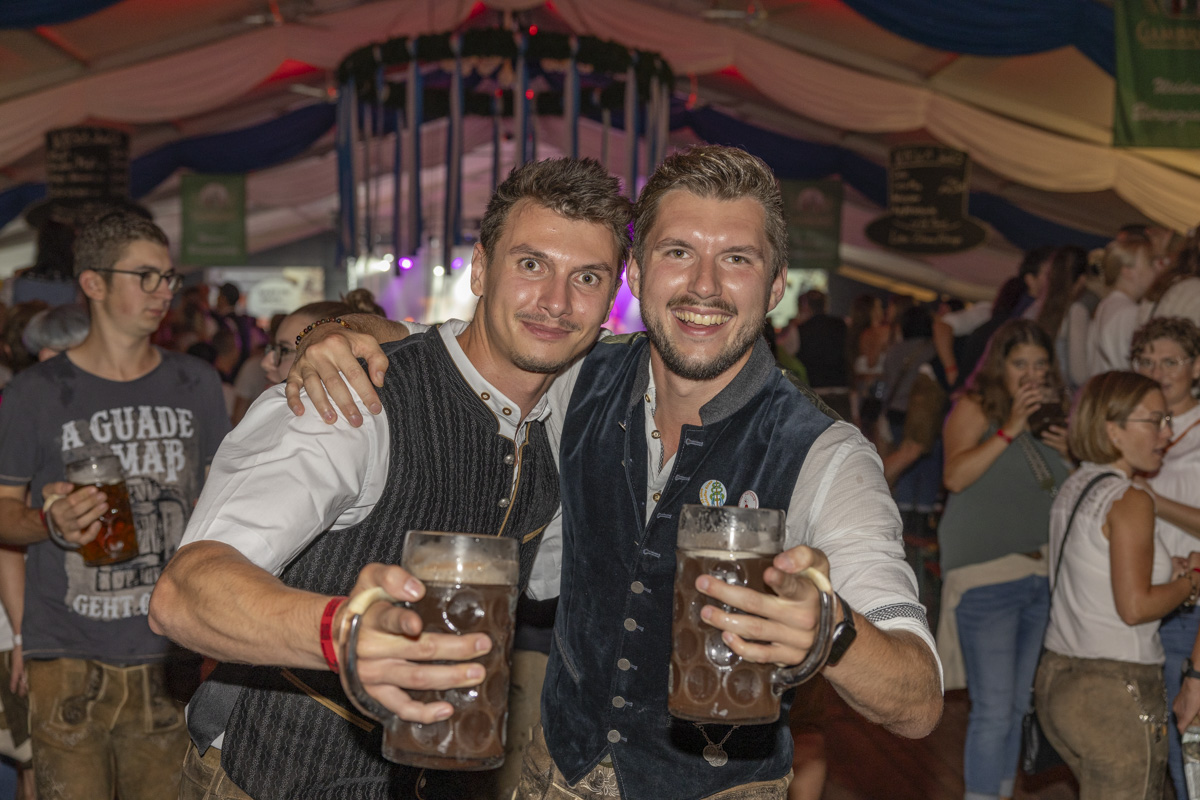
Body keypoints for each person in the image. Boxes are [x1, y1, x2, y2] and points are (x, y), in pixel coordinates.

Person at [288, 145, 944, 800]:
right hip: (555, 771)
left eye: (737, 259)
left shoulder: (826, 455)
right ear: (635, 272)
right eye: (678, 252)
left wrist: (830, 631)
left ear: (775, 287)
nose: (705, 286)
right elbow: (458, 343)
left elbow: (919, 702)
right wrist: (338, 333)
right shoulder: (577, 373)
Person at [147, 157, 631, 800]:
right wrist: (341, 633)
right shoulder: (352, 395)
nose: (556, 301)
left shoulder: (564, 413)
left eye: (587, 277)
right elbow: (185, 591)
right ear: (480, 269)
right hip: (271, 776)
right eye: (531, 264)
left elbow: (553, 576)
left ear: (612, 294)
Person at [0, 210, 230, 800]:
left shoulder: (197, 384)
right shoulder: (34, 393)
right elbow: (3, 513)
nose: (163, 292)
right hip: (66, 654)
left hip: (168, 650)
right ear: (94, 283)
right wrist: (48, 521)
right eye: (145, 276)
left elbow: (221, 508)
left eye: (168, 277)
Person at [1035, 371, 1198, 799]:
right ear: (1113, 430)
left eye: (1167, 420)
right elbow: (1134, 608)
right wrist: (1192, 582)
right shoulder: (1131, 499)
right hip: (1115, 690)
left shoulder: (1078, 484)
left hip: (1059, 678)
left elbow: (1097, 569)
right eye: (1155, 421)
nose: (1167, 433)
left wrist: (1170, 570)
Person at [935, 319, 1071, 800]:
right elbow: (954, 476)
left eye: (1040, 364)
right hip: (988, 575)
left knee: (1017, 706)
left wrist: (1072, 453)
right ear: (1000, 366)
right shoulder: (977, 407)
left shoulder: (1056, 416)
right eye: (1020, 364)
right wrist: (1010, 428)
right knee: (993, 709)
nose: (1032, 374)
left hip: (1043, 575)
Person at [1124, 317, 1200, 800]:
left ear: (1197, 366)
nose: (1157, 372)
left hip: (1191, 611)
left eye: (1170, 361)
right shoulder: (1129, 428)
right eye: (1147, 361)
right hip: (1141, 602)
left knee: (1187, 743)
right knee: (1154, 744)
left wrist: (1149, 497)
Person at [1087, 237, 1163, 376]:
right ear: (1127, 271)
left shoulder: (1107, 305)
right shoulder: (1128, 313)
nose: (1157, 269)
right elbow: (1133, 367)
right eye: (1150, 263)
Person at [794, 289, 851, 420]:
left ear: (805, 306)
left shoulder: (801, 329)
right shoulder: (841, 325)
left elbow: (785, 357)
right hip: (841, 390)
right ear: (825, 304)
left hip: (815, 394)